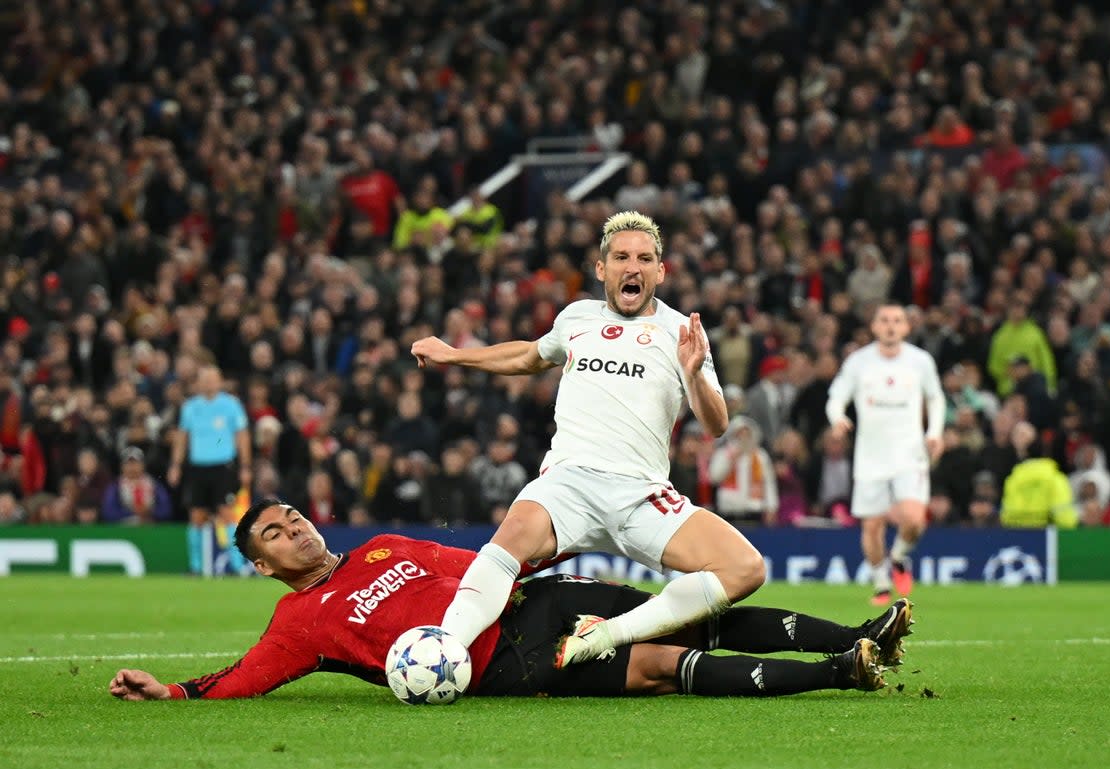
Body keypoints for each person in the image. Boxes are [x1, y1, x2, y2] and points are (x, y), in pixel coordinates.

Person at [410, 211, 765, 668]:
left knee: (746, 568)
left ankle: (606, 636)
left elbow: (715, 424)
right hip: (569, 484)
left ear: (661, 270)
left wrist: (694, 374)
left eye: (644, 258)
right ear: (602, 269)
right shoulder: (576, 317)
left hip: (642, 493)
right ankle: (441, 650)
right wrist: (454, 355)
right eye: (620, 257)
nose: (632, 267)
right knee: (506, 543)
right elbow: (529, 356)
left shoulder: (682, 333)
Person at [108, 501, 914, 702]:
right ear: (260, 566)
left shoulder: (385, 546)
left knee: (687, 608)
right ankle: (845, 670)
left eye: (294, 517)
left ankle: (863, 628)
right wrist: (174, 691)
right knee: (664, 666)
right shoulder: (300, 626)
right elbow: (244, 677)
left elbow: (485, 560)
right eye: (276, 536)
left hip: (536, 600)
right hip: (510, 661)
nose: (296, 531)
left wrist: (552, 547)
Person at [826, 304, 946, 605]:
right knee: (872, 524)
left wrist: (934, 433)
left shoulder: (920, 361)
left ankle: (899, 556)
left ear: (906, 327)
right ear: (874, 326)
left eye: (897, 321)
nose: (890, 326)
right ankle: (881, 585)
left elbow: (935, 398)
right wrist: (837, 418)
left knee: (914, 519)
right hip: (870, 456)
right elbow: (836, 396)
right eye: (884, 320)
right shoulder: (858, 361)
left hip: (909, 453)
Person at [167, 366, 252, 576]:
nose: (208, 384)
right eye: (204, 379)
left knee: (227, 514)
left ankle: (237, 566)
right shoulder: (190, 407)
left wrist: (245, 466)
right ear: (198, 382)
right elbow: (182, 438)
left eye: (212, 379)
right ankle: (196, 567)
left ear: (220, 381)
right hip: (198, 467)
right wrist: (175, 465)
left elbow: (242, 436)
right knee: (196, 516)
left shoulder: (231, 405)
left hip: (223, 466)